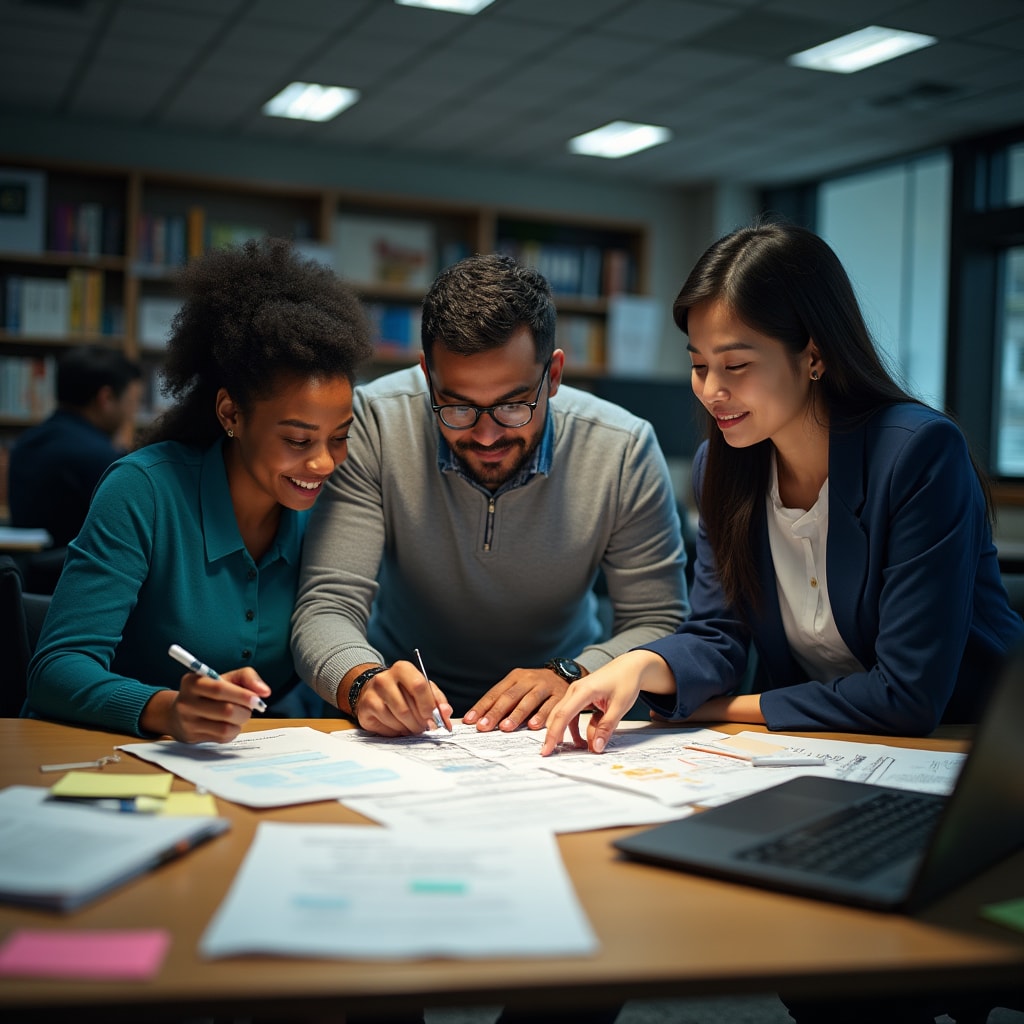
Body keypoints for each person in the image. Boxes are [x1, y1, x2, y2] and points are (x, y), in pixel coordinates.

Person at [542, 219, 1024, 760]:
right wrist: (637, 665)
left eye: (737, 365)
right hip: (826, 749)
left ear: (814, 355)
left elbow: (908, 696)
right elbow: (716, 637)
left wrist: (726, 708)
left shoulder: (918, 454)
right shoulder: (720, 467)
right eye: (699, 366)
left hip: (971, 749)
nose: (712, 391)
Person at [291, 251, 688, 737]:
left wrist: (574, 673)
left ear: (555, 375)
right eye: (456, 407)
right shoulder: (373, 422)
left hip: (559, 712)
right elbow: (327, 604)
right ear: (427, 375)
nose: (485, 436)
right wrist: (362, 683)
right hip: (403, 720)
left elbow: (660, 619)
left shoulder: (623, 449)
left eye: (512, 405)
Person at [24, 237, 373, 742]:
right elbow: (55, 669)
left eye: (340, 437)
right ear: (231, 414)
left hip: (244, 769)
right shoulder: (143, 491)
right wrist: (167, 709)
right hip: (101, 759)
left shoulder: (327, 510)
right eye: (297, 439)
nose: (322, 462)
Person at [8, 344, 142, 546]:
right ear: (106, 398)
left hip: (27, 574)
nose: (131, 413)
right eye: (131, 402)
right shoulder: (102, 459)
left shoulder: (24, 444)